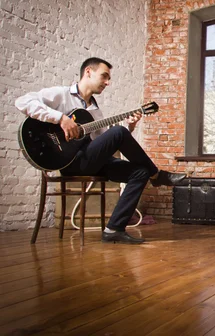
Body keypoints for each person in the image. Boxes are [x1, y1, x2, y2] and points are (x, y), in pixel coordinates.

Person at [15, 57, 186, 244]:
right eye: (104, 76)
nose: (107, 82)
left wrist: (129, 127)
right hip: (70, 162)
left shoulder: (95, 111)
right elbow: (23, 102)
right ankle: (158, 175)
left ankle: (114, 229)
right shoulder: (61, 95)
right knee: (118, 132)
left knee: (140, 172)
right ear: (88, 72)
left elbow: (105, 142)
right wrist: (60, 118)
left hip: (91, 161)